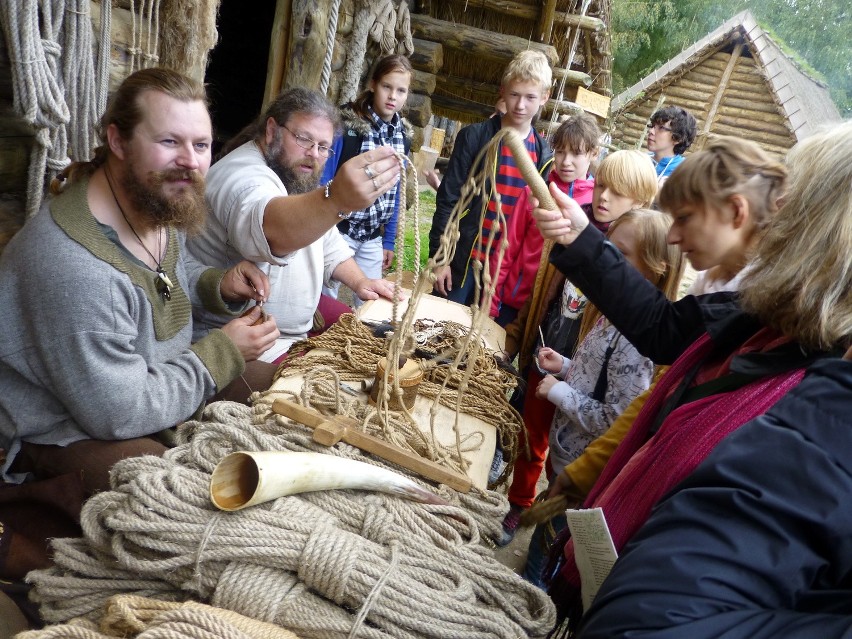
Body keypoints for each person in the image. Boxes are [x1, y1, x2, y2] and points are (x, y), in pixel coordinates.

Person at [532, 121, 849, 632]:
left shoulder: (816, 394)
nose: (773, 225)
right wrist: (582, 240)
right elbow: (665, 331)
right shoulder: (757, 320)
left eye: (790, 209)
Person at [0, 67, 280, 495]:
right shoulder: (74, 266)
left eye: (201, 144)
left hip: (153, 384)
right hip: (66, 430)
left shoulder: (151, 203)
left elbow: (168, 275)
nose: (190, 160)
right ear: (118, 141)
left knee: (275, 390)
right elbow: (120, 413)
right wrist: (219, 353)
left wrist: (218, 286)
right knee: (164, 491)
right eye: (169, 141)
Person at [545, 136, 788, 506]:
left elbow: (662, 333)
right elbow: (660, 368)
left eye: (685, 218)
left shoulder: (759, 316)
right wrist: (581, 237)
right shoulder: (720, 286)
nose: (674, 236)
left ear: (736, 212)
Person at [578, 345, 852, 639]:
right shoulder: (736, 333)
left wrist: (840, 402)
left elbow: (646, 622)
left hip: (642, 567)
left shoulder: (799, 392)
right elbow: (650, 400)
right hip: (631, 551)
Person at [517, 210, 684, 586]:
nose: (606, 258)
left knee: (551, 542)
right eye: (605, 247)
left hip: (584, 469)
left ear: (655, 269)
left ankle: (531, 593)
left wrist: (558, 392)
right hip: (566, 454)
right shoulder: (610, 317)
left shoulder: (637, 345)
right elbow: (600, 379)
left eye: (620, 254)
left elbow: (618, 419)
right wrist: (564, 367)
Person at [499, 150, 658, 544]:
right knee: (531, 435)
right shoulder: (572, 232)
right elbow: (541, 294)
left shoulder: (631, 259)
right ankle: (519, 503)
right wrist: (518, 341)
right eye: (601, 185)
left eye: (618, 192)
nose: (604, 197)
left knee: (564, 468)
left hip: (584, 388)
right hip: (553, 356)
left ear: (640, 202)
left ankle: (545, 535)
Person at [188, 87, 401, 362]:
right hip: (242, 343)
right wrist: (337, 200)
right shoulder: (242, 174)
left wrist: (361, 282)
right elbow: (272, 231)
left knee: (371, 336)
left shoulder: (291, 173)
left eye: (323, 147)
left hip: (292, 330)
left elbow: (327, 243)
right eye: (303, 139)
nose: (314, 154)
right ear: (272, 130)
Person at [428, 50, 553, 304]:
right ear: (503, 90)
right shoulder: (474, 137)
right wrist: (440, 260)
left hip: (504, 267)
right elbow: (448, 199)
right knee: (439, 327)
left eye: (530, 97)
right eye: (515, 94)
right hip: (464, 256)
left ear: (544, 98)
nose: (520, 105)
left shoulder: (543, 156)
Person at [491, 112, 601, 327]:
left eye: (576, 153)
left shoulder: (596, 203)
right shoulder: (533, 193)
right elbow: (507, 249)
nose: (566, 162)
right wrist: (491, 301)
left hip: (555, 309)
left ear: (594, 153)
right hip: (514, 301)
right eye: (560, 152)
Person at [321, 54, 413, 305]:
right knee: (324, 296)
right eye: (387, 87)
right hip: (339, 230)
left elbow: (396, 192)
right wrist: (322, 224)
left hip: (372, 235)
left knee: (373, 299)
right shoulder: (349, 126)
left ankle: (361, 340)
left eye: (401, 90)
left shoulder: (402, 137)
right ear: (373, 84)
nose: (393, 96)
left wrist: (389, 239)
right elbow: (326, 176)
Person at [645, 105, 696, 181]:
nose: (651, 131)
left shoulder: (683, 172)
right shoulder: (641, 161)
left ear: (678, 138)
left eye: (661, 128)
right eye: (652, 126)